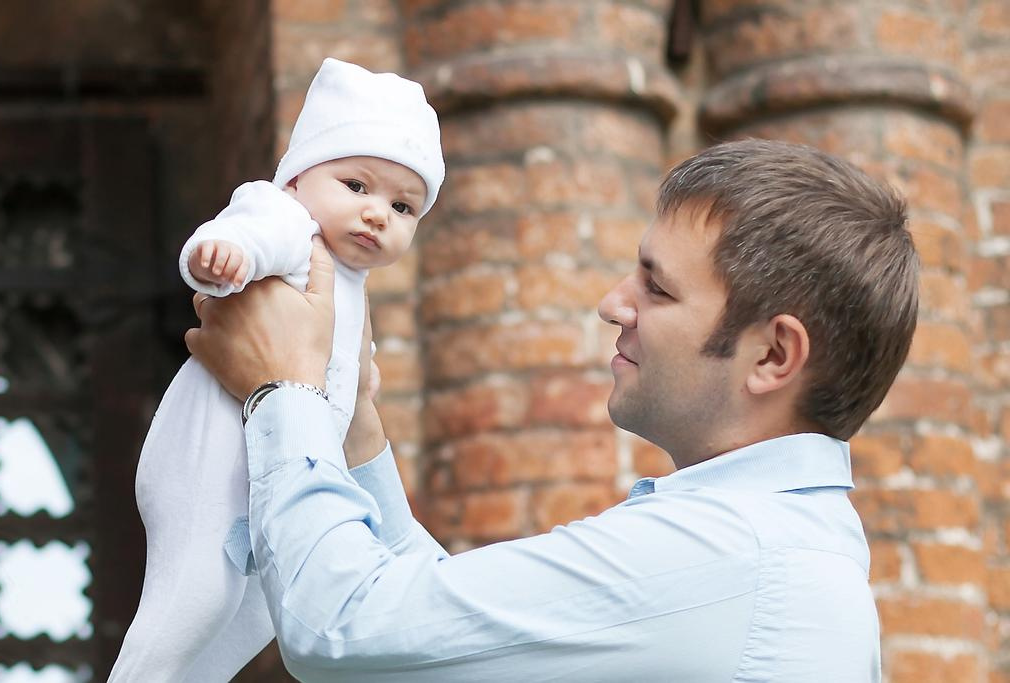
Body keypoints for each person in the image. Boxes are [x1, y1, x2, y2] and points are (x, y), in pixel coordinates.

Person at [186, 139, 918, 682]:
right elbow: (435, 638)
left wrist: (283, 388)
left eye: (657, 289)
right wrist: (357, 433)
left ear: (772, 356)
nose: (613, 303)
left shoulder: (728, 552)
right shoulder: (778, 545)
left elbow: (341, 627)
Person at [109, 58, 444, 682]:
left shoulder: (353, 282)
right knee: (196, 595)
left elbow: (347, 370)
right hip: (208, 463)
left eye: (404, 207)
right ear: (297, 179)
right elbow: (245, 232)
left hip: (267, 478)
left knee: (266, 608)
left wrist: (362, 384)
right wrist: (225, 256)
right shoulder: (289, 223)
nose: (378, 214)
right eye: (356, 185)